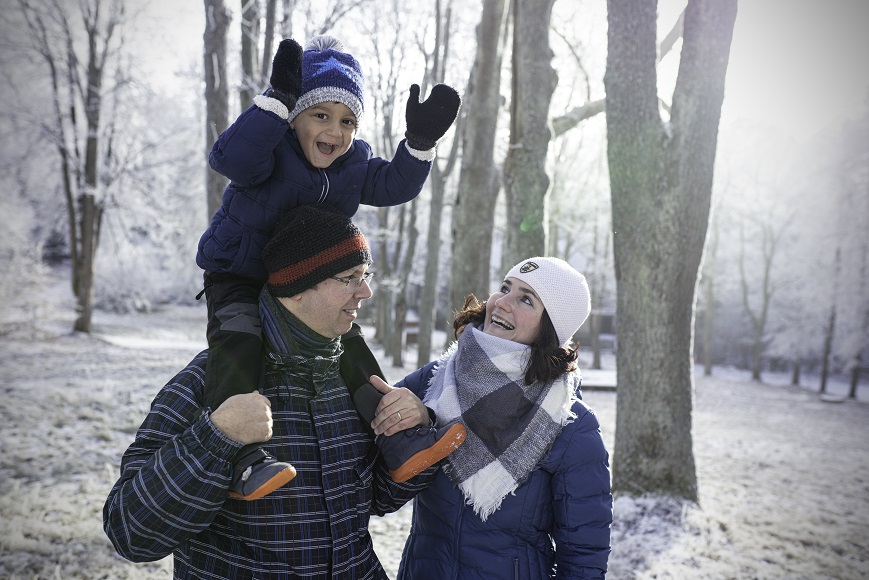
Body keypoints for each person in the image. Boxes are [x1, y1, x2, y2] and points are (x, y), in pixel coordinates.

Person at [104, 205, 460, 578]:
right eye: (349, 277)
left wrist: (412, 425)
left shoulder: (353, 381)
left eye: (366, 274)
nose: (366, 291)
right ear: (296, 289)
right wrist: (216, 438)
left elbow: (371, 499)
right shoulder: (209, 383)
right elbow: (130, 533)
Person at [195, 35, 462, 499]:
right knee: (239, 344)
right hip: (240, 269)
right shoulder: (268, 150)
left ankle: (396, 438)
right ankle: (243, 458)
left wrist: (418, 144)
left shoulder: (353, 162)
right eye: (320, 115)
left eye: (347, 121)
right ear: (295, 115)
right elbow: (227, 157)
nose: (335, 131)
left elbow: (394, 185)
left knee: (351, 349)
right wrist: (275, 102)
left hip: (307, 282)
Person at [379, 257, 613, 579]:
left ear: (550, 329)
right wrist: (425, 421)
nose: (500, 303)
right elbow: (372, 428)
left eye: (525, 299)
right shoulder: (435, 380)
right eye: (505, 288)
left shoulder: (570, 425)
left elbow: (584, 559)